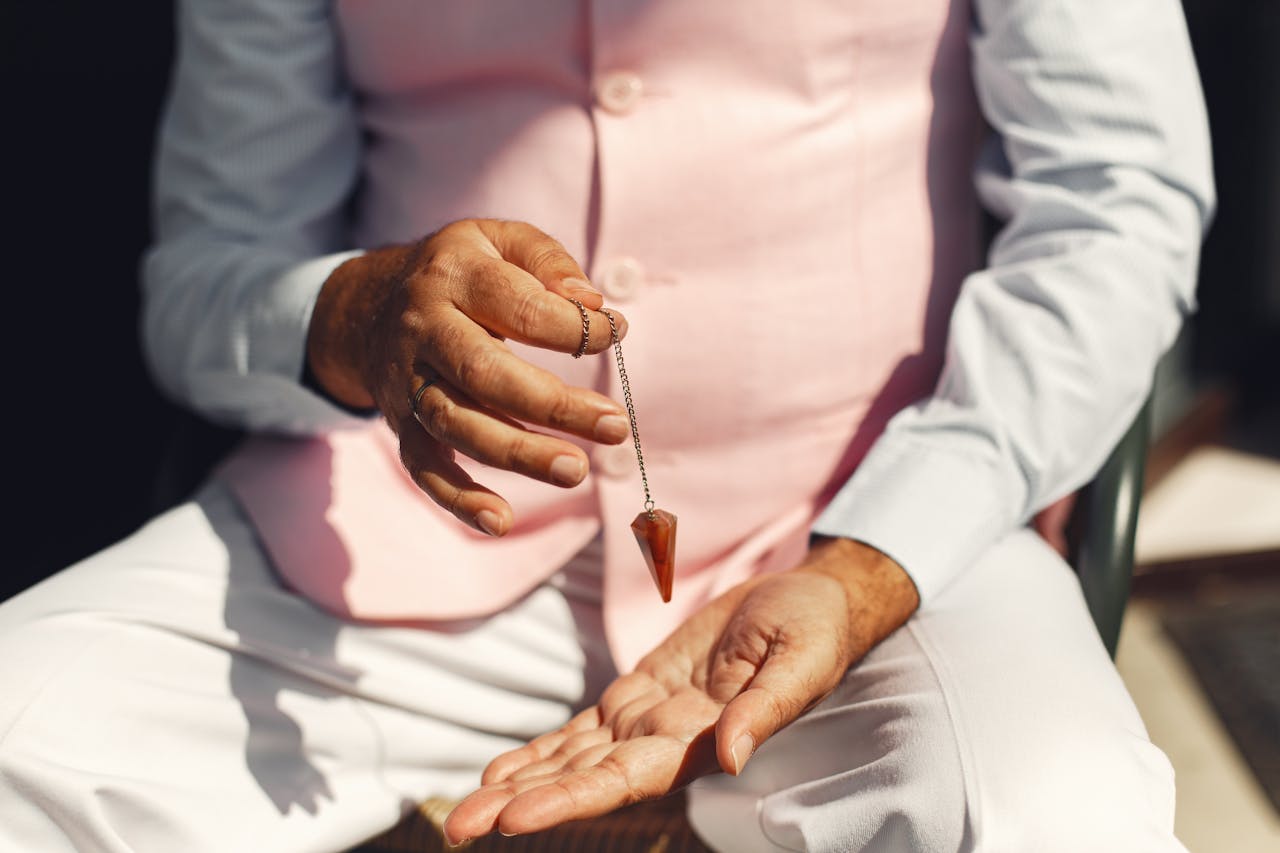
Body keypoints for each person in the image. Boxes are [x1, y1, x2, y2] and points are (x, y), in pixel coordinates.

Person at [0, 1, 1213, 851]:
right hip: (376, 545)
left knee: (1053, 813)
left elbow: (1116, 207)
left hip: (871, 536)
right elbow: (203, 281)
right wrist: (355, 311)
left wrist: (872, 559)